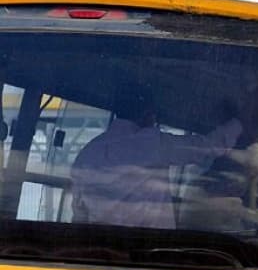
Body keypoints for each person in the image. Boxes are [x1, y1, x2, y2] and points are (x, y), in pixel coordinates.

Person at [70, 86, 245, 230]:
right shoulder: (153, 143)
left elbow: (79, 214)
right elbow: (207, 146)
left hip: (100, 256)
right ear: (148, 115)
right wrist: (240, 121)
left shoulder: (87, 153)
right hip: (151, 256)